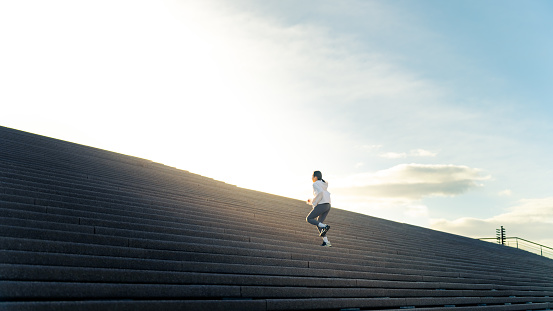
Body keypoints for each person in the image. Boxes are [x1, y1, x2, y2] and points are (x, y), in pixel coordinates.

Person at [306, 170, 332, 247]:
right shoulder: (323, 184)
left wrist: (314, 203)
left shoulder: (315, 183)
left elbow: (320, 193)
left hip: (322, 205)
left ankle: (325, 226)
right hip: (328, 205)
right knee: (319, 223)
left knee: (309, 218)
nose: (311, 178)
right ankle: (326, 242)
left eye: (312, 176)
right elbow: (322, 194)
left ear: (315, 177)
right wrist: (312, 200)